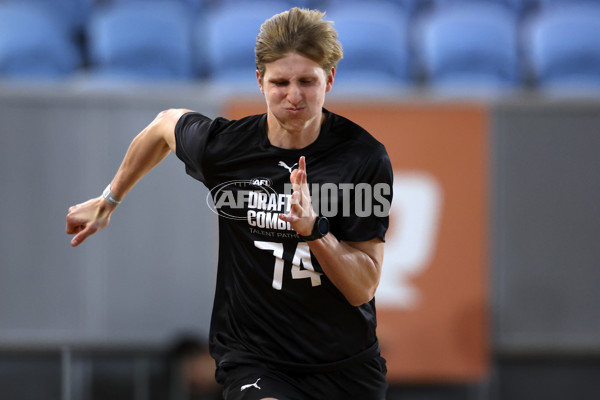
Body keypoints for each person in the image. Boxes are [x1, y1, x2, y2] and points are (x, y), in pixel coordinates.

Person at [66, 7, 393, 400]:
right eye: (280, 82)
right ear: (259, 81)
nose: (294, 95)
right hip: (256, 357)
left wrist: (315, 231)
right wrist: (109, 200)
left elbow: (363, 287)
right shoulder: (226, 147)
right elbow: (163, 126)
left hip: (345, 367)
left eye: (307, 81)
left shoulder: (363, 158)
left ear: (330, 78)